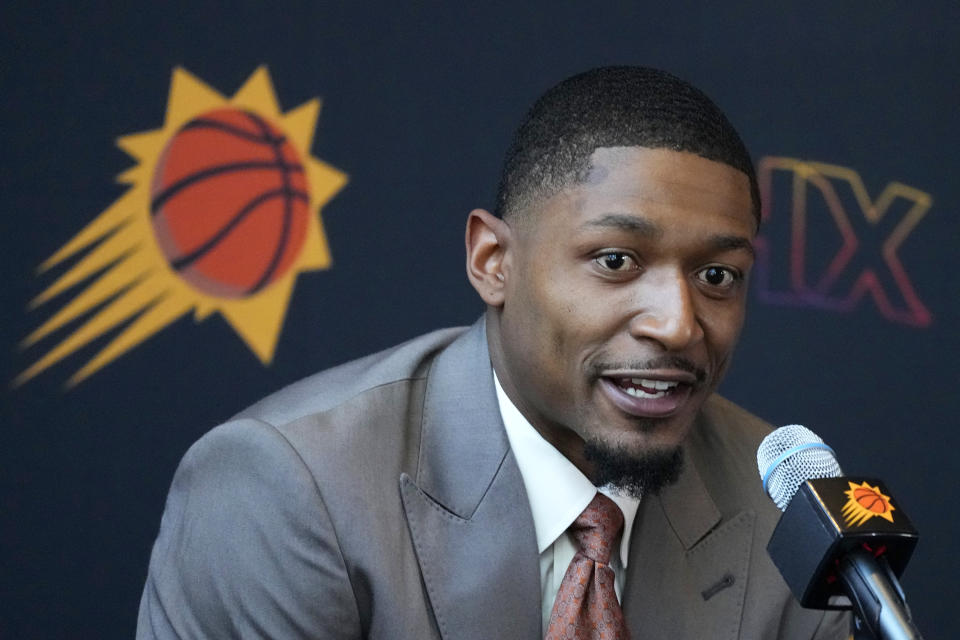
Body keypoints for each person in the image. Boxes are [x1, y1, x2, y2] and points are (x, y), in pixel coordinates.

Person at [137, 66, 850, 639]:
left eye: (717, 276)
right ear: (492, 261)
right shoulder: (292, 490)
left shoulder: (787, 509)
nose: (677, 324)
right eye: (615, 260)